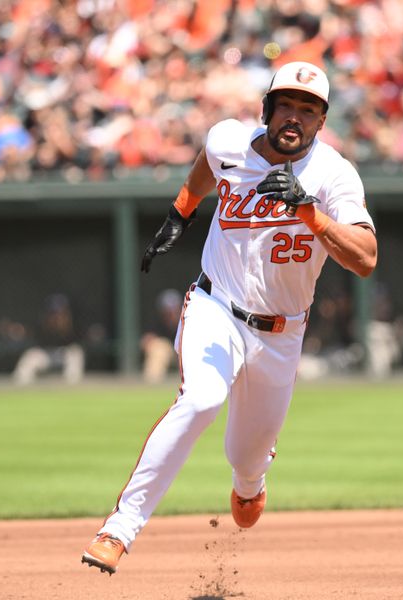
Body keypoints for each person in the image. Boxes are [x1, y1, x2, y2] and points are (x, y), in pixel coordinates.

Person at [81, 61, 377, 575]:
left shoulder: (333, 175)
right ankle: (119, 530)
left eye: (309, 111)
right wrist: (181, 211)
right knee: (201, 398)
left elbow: (366, 258)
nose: (295, 118)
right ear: (267, 109)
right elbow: (205, 165)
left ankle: (251, 482)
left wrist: (310, 212)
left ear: (321, 122)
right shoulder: (229, 141)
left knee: (246, 457)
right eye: (286, 105)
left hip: (281, 333)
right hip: (214, 304)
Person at [12, 293, 85, 385]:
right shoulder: (42, 323)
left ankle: (71, 390)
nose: (57, 316)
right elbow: (28, 332)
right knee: (30, 357)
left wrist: (64, 326)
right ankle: (21, 391)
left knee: (76, 353)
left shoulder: (74, 324)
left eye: (60, 312)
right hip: (45, 354)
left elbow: (81, 338)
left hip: (65, 354)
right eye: (53, 313)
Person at [140, 289, 182, 384]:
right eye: (168, 310)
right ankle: (152, 386)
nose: (171, 313)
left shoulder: (187, 320)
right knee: (160, 349)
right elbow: (145, 341)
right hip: (167, 355)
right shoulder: (156, 322)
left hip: (183, 354)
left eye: (174, 309)